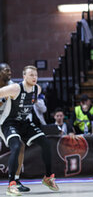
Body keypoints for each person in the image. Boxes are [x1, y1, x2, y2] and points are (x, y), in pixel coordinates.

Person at [0, 66, 59, 195]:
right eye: (31, 75)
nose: (34, 77)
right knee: (16, 146)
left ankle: (48, 177)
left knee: (46, 143)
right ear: (24, 76)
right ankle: (11, 184)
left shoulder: (37, 89)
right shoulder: (15, 88)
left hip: (24, 122)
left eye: (36, 75)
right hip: (9, 122)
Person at [0, 63, 30, 193]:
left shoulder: (12, 84)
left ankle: (15, 181)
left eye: (10, 69)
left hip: (4, 121)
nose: (9, 72)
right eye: (6, 70)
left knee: (19, 145)